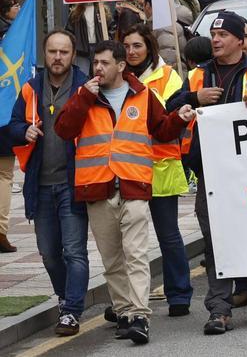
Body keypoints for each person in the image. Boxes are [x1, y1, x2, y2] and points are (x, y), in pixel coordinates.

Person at [55, 40, 194, 345]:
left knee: (136, 255)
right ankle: (125, 313)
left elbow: (161, 129)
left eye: (105, 63)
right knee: (113, 260)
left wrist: (179, 119)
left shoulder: (143, 95)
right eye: (95, 64)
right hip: (98, 188)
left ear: (121, 66)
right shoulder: (85, 95)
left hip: (134, 186)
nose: (98, 69)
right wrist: (82, 100)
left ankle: (141, 316)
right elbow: (64, 129)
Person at [166, 12, 247, 335]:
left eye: (222, 35)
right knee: (216, 240)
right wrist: (193, 98)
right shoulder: (198, 76)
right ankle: (219, 309)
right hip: (211, 173)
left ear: (239, 40)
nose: (215, 40)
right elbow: (169, 107)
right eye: (213, 35)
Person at [5, 30, 90, 336]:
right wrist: (22, 131)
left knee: (74, 251)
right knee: (48, 253)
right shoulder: (31, 88)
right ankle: (66, 295)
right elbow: (12, 125)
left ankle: (71, 310)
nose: (57, 57)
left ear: (72, 55)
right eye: (52, 52)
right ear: (45, 54)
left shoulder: (84, 87)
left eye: (63, 52)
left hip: (73, 181)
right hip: (40, 185)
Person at [118, 25, 192, 318]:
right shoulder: (116, 77)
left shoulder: (167, 76)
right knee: (128, 240)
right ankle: (127, 300)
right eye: (126, 46)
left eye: (137, 45)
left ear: (149, 46)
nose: (131, 51)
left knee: (168, 234)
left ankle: (179, 294)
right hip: (128, 166)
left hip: (161, 165)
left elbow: (172, 114)